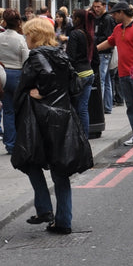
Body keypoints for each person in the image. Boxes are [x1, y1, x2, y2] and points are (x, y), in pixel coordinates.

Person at [14, 16, 83, 234]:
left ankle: (44, 208)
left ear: (34, 35)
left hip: (41, 117)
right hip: (62, 115)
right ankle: (63, 221)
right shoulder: (60, 53)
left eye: (26, 34)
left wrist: (41, 92)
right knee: (59, 170)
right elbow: (75, 84)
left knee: (28, 161)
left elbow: (46, 74)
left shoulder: (37, 54)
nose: (25, 38)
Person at [93, 1, 133, 148]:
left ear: (122, 12)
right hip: (123, 72)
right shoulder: (117, 28)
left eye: (115, 13)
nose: (113, 16)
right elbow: (110, 42)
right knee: (131, 106)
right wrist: (93, 50)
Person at [0, 8, 28, 154]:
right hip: (18, 74)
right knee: (20, 111)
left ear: (5, 22)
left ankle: (10, 144)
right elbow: (26, 59)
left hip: (2, 74)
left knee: (7, 111)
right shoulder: (20, 39)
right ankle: (21, 142)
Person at [66, 8, 95, 138]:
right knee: (84, 108)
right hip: (89, 72)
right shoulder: (87, 33)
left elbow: (70, 57)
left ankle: (78, 136)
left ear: (78, 19)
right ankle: (85, 136)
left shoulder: (74, 34)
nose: (71, 18)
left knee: (76, 108)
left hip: (79, 74)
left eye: (73, 16)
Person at [91, 0, 117, 114]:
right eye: (94, 7)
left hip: (104, 53)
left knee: (100, 80)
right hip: (101, 52)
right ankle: (107, 106)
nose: (96, 9)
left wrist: (94, 39)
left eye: (98, 7)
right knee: (106, 81)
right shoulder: (98, 18)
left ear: (104, 6)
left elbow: (108, 37)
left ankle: (99, 108)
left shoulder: (107, 19)